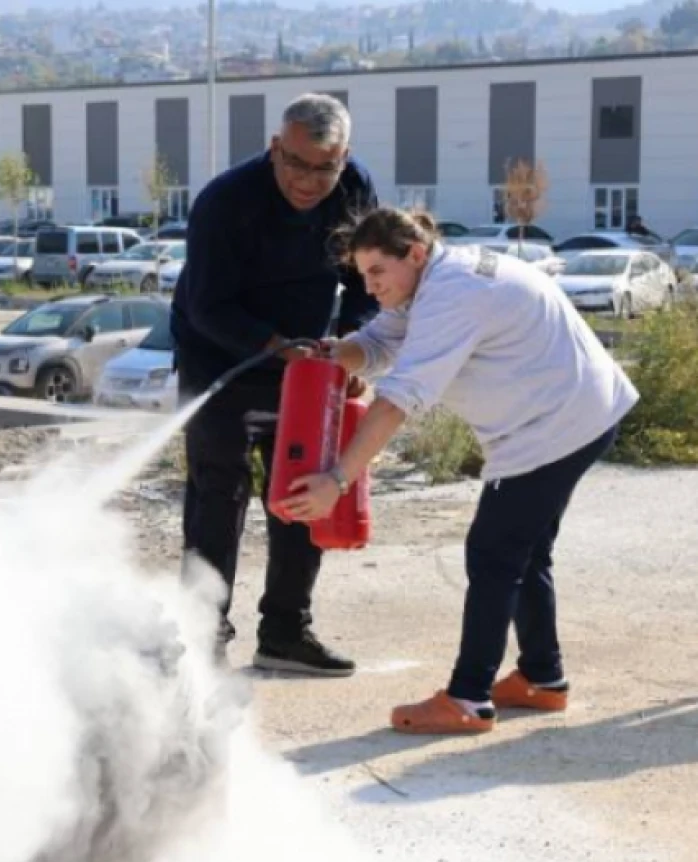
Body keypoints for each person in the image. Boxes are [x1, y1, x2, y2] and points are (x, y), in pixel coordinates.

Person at [278, 208, 639, 734]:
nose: (370, 286)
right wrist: (332, 357)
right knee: (524, 549)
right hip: (574, 412)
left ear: (415, 253)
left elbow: (397, 400)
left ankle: (468, 699)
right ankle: (543, 679)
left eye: (377, 271)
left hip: (555, 426)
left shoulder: (452, 293)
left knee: (492, 552)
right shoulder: (429, 282)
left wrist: (337, 480)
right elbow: (377, 345)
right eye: (362, 275)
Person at [171, 93, 379, 675]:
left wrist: (354, 347)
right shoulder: (225, 202)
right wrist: (274, 347)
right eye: (297, 164)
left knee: (302, 492)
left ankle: (287, 631)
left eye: (325, 167)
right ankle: (201, 631)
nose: (310, 181)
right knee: (218, 490)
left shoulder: (355, 188)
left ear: (345, 159)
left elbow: (366, 281)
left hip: (309, 363)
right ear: (275, 148)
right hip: (220, 356)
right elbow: (209, 305)